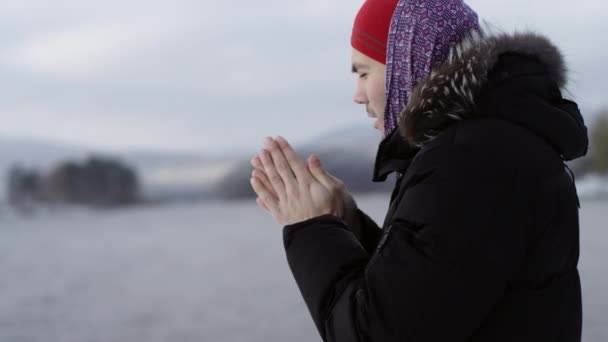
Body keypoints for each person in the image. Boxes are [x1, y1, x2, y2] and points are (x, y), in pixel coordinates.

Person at [249, 0, 589, 341]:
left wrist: (312, 229)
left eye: (364, 72)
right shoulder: (485, 148)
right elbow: (434, 290)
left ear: (410, 61)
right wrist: (345, 226)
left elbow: (379, 332)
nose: (357, 95)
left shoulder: (469, 164)